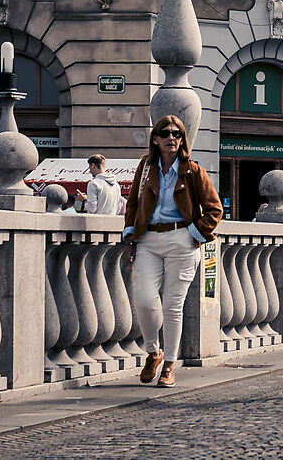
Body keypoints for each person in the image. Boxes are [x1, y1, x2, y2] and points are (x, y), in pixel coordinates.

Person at [122, 114, 221, 388]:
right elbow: (132, 204)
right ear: (155, 138)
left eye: (176, 134)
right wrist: (130, 235)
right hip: (148, 240)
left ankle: (169, 365)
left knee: (172, 305)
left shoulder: (192, 170)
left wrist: (193, 234)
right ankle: (154, 352)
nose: (171, 138)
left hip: (181, 239)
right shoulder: (146, 167)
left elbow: (215, 209)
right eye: (165, 133)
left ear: (182, 139)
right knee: (143, 300)